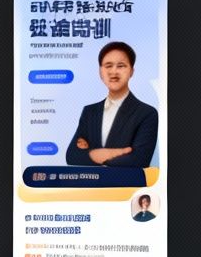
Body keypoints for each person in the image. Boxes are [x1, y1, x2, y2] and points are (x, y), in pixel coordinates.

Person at [68, 40, 160, 169]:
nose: (114, 72)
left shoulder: (146, 113)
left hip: (126, 187)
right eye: (108, 65)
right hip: (91, 186)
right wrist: (116, 153)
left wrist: (92, 154)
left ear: (131, 71)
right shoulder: (90, 112)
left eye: (121, 66)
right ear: (100, 71)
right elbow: (72, 155)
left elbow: (139, 160)